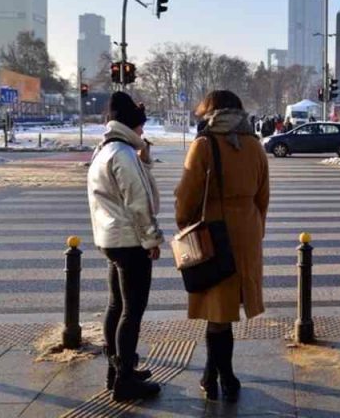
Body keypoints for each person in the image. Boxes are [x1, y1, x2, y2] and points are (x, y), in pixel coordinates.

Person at [175, 90, 270, 402]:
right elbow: (263, 195)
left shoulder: (204, 145)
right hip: (247, 230)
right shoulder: (255, 145)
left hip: (214, 233)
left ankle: (223, 377)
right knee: (225, 312)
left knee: (218, 312)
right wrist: (256, 230)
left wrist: (184, 224)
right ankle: (215, 375)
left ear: (210, 112)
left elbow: (187, 195)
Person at [87, 92, 163, 402]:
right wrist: (152, 239)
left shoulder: (103, 149)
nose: (144, 133)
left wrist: (143, 158)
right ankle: (125, 380)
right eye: (142, 127)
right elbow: (139, 201)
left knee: (116, 306)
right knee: (132, 310)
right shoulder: (124, 154)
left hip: (109, 239)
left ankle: (115, 369)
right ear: (133, 126)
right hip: (130, 241)